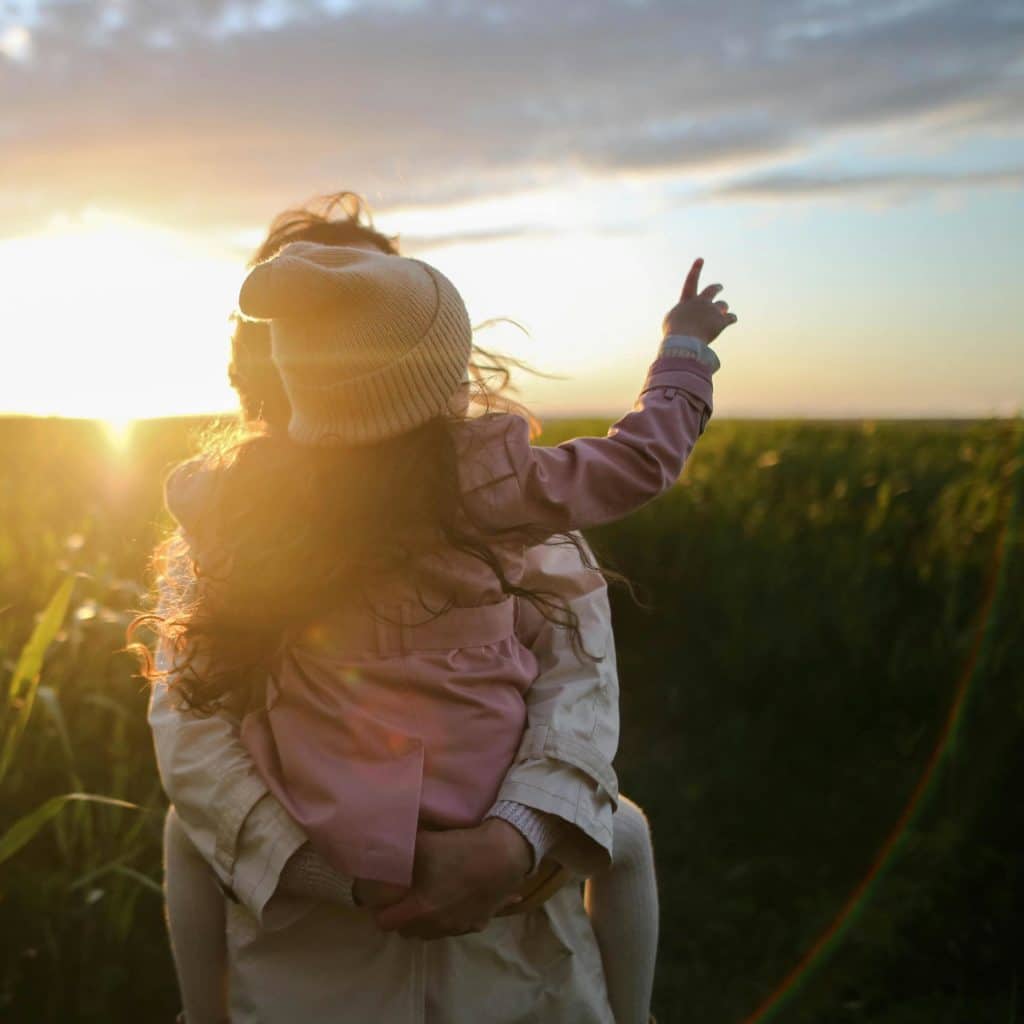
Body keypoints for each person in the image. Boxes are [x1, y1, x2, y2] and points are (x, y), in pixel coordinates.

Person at [143, 194, 732, 1023]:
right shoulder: (498, 490)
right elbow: (193, 734)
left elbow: (578, 685)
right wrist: (682, 355)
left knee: (620, 829)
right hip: (306, 963)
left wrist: (510, 843)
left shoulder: (243, 508)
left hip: (518, 958)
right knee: (624, 832)